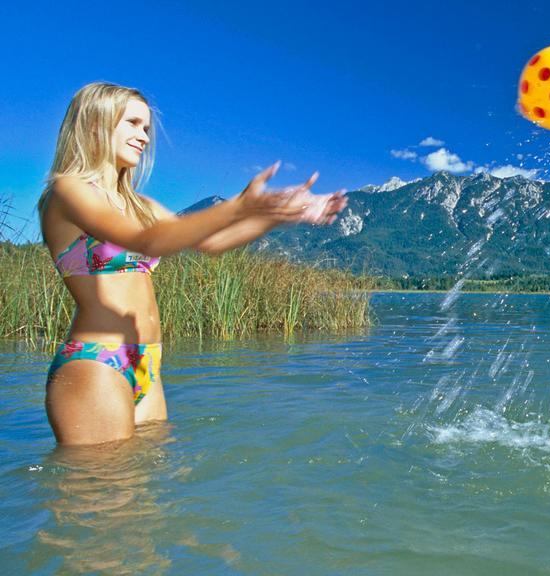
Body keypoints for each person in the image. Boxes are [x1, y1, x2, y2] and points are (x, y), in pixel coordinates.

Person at [37, 82, 347, 445]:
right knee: (101, 495)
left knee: (147, 493)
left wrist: (278, 214)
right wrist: (238, 205)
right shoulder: (67, 190)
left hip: (147, 363)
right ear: (96, 123)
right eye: (133, 123)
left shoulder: (142, 205)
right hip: (96, 363)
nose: (143, 136)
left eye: (146, 129)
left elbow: (211, 243)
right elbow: (145, 241)